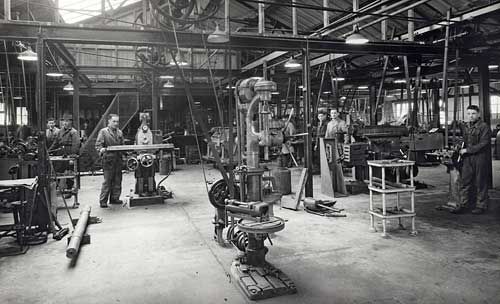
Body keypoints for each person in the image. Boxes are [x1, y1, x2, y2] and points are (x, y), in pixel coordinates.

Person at [453, 105, 491, 214]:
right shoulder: (466, 127)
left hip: (479, 158)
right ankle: (463, 204)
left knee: (480, 182)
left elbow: (484, 143)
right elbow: (464, 139)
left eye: (473, 113)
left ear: (478, 114)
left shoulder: (484, 127)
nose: (471, 116)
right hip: (467, 159)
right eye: (469, 113)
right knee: (465, 181)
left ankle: (481, 206)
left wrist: (467, 150)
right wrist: (459, 146)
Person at [95, 114, 124, 208]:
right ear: (109, 122)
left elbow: (122, 145)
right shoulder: (103, 132)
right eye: (114, 121)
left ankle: (114, 198)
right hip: (108, 160)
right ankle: (103, 201)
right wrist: (101, 150)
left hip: (118, 159)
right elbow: (98, 145)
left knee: (117, 180)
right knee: (107, 181)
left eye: (117, 122)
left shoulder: (119, 133)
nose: (116, 123)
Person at [49, 114, 80, 198]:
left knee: (70, 174)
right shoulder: (60, 131)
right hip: (60, 155)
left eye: (67, 121)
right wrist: (49, 151)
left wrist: (72, 157)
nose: (65, 123)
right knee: (57, 172)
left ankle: (69, 191)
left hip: (69, 155)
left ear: (70, 122)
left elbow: (76, 146)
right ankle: (54, 190)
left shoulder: (74, 132)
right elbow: (55, 143)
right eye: (64, 121)